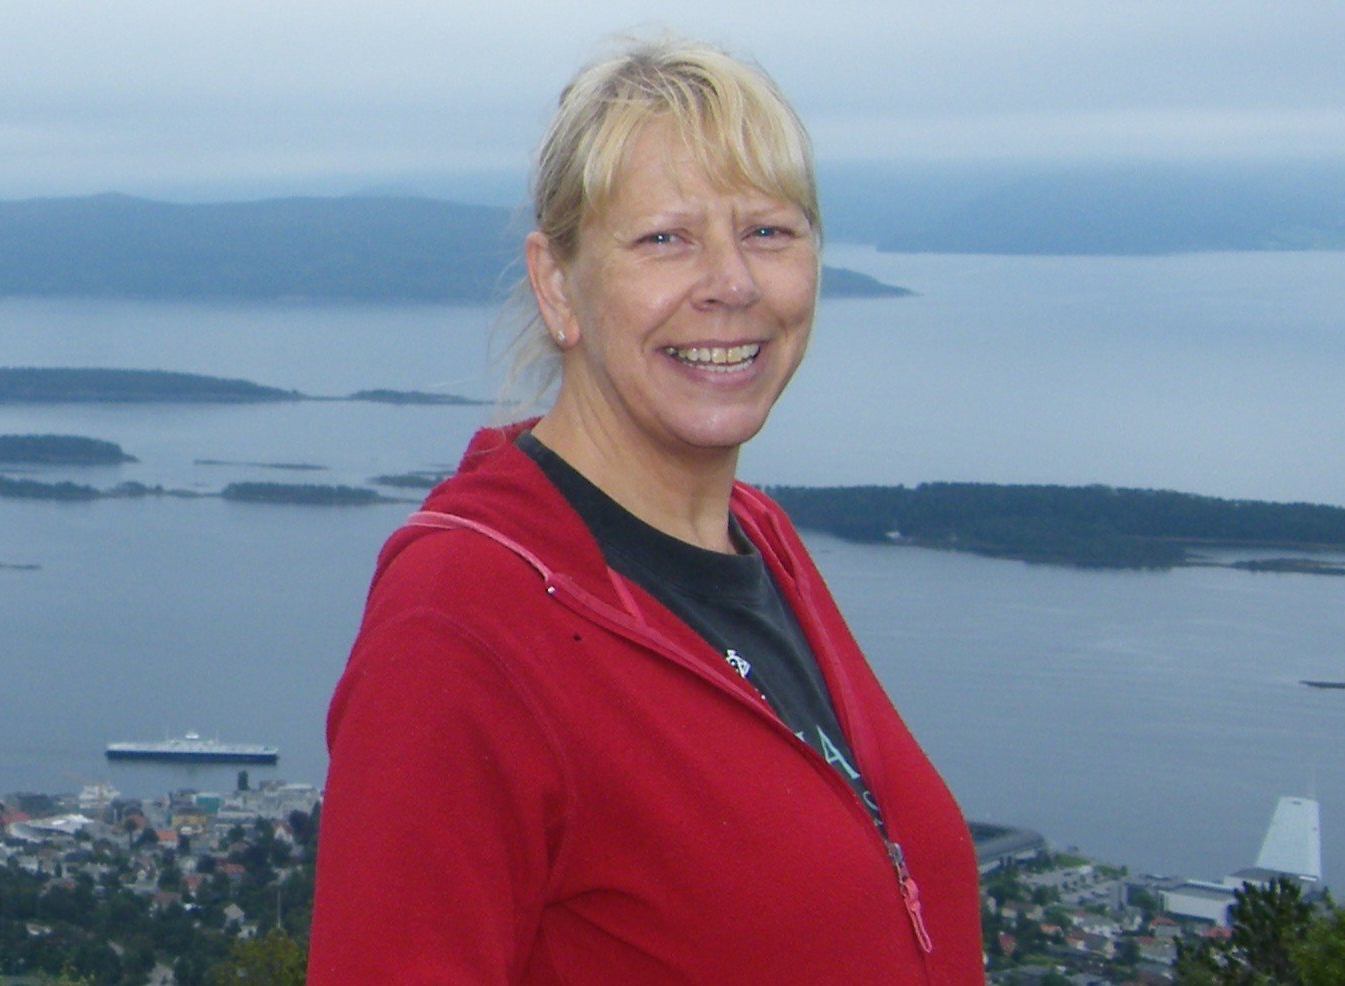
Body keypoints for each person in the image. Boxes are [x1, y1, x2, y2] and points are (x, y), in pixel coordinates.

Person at [309, 36, 984, 984]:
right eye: (665, 238)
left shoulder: (756, 542)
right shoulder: (460, 620)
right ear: (558, 285)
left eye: (769, 232)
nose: (732, 284)